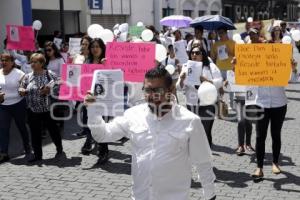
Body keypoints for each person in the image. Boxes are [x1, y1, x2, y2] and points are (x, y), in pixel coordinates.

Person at [86, 66, 216, 200]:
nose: (152, 96)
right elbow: (102, 135)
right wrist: (93, 110)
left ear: (170, 90)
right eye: (148, 90)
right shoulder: (132, 115)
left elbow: (203, 162)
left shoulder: (190, 121)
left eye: (158, 90)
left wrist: (210, 195)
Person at [19, 53, 64, 162]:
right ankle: (38, 155)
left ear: (42, 63)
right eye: (31, 62)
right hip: (33, 110)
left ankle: (59, 148)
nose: (32, 64)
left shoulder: (49, 74)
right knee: (35, 133)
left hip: (48, 109)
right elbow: (22, 87)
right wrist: (22, 91)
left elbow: (60, 81)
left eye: (35, 62)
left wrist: (50, 88)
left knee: (53, 131)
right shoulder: (28, 76)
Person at [177, 47, 222, 147]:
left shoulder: (210, 66)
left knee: (206, 130)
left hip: (208, 103)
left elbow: (219, 82)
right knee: (193, 131)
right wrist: (181, 80)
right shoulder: (186, 67)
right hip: (192, 103)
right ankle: (195, 154)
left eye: (197, 53)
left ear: (203, 54)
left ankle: (207, 153)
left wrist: (207, 81)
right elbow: (179, 88)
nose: (194, 55)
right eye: (192, 53)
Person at [81, 38, 110, 165]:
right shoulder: (87, 62)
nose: (95, 49)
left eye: (98, 46)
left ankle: (103, 151)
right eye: (93, 46)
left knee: (101, 125)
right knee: (90, 124)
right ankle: (91, 142)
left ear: (102, 48)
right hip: (89, 99)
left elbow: (113, 79)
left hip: (103, 99)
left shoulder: (107, 61)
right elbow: (81, 80)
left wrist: (107, 66)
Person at [0, 53, 32, 163]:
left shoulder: (19, 73)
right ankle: (4, 153)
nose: (3, 62)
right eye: (2, 60)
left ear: (12, 62)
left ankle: (28, 149)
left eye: (6, 60)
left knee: (22, 127)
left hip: (18, 104)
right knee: (3, 129)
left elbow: (26, 86)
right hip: (3, 106)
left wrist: (23, 90)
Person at [211, 27, 235, 110]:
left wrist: (229, 52)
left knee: (231, 87)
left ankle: (231, 104)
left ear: (226, 33)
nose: (220, 35)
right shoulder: (215, 44)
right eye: (219, 33)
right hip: (219, 68)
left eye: (221, 33)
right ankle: (220, 104)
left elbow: (238, 56)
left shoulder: (233, 43)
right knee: (219, 86)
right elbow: (212, 57)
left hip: (230, 68)